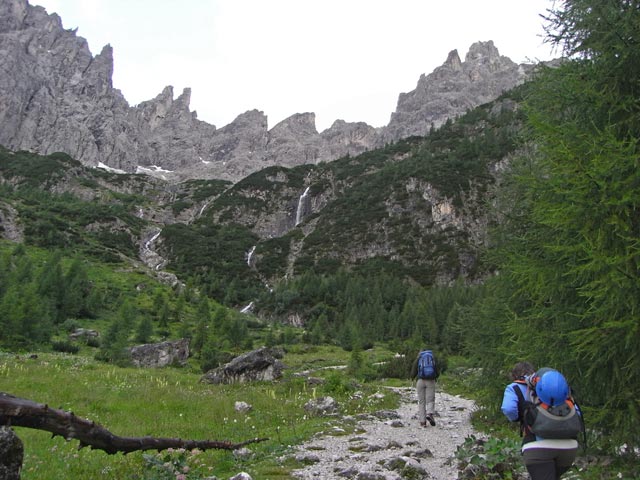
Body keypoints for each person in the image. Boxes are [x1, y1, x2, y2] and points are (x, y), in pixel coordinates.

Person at [502, 364, 581, 480]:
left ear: (514, 375)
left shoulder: (514, 387)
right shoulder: (559, 389)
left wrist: (519, 418)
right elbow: (576, 413)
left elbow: (508, 408)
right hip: (569, 447)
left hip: (537, 447)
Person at [410, 349, 439, 427]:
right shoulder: (432, 357)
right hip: (430, 381)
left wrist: (412, 378)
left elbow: (413, 371)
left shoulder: (418, 358)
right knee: (430, 399)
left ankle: (423, 422)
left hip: (420, 381)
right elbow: (436, 370)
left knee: (421, 401)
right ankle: (429, 414)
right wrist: (436, 377)